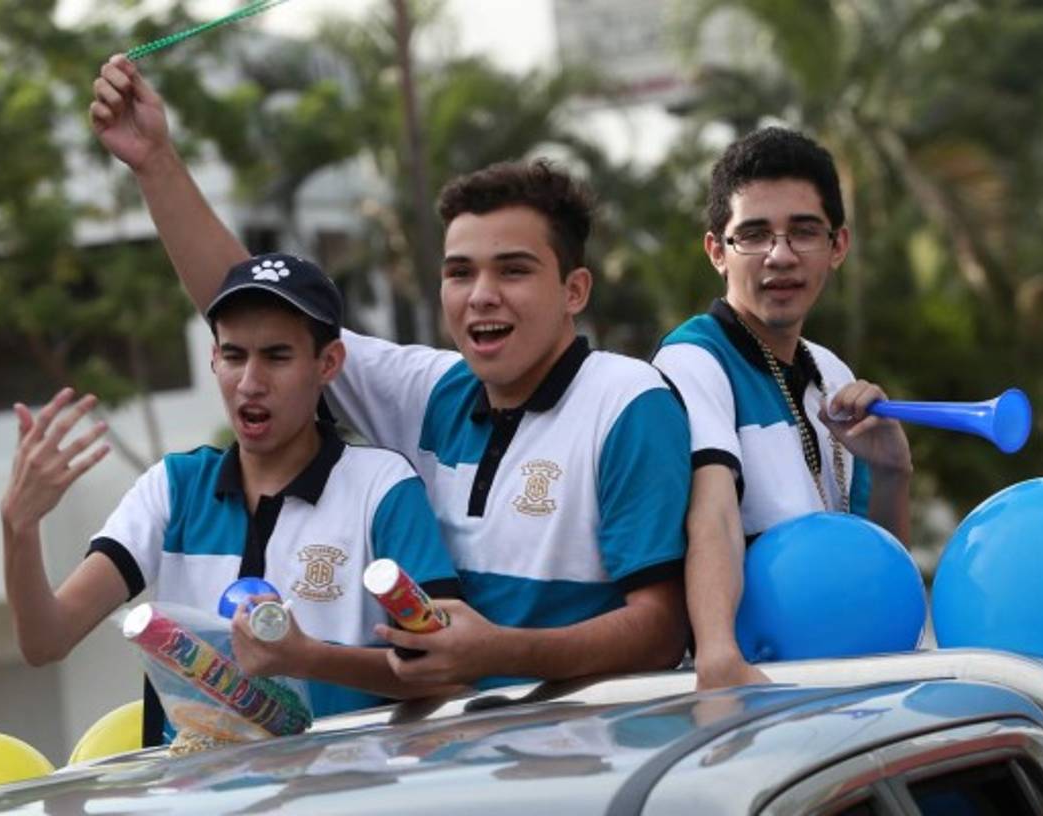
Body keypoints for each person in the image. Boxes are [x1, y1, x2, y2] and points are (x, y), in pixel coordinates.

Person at [89, 54, 691, 689]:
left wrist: (501, 652)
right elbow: (253, 310)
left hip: (596, 761)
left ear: (574, 291)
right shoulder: (433, 392)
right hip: (455, 762)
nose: (480, 295)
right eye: (460, 273)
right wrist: (154, 162)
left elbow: (659, 630)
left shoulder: (626, 400)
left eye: (513, 270)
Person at [0, 253, 460, 745]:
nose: (250, 383)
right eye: (235, 356)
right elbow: (46, 640)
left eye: (277, 357)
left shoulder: (381, 486)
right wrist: (19, 528)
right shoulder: (174, 488)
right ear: (214, 358)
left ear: (328, 363)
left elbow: (449, 670)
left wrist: (307, 659)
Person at [651, 127, 913, 689]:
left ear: (837, 246)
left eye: (803, 232)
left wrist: (894, 471)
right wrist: (719, 656)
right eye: (753, 235)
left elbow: (878, 562)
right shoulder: (693, 359)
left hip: (845, 679)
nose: (781, 256)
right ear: (716, 251)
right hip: (755, 683)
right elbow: (714, 513)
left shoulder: (832, 371)